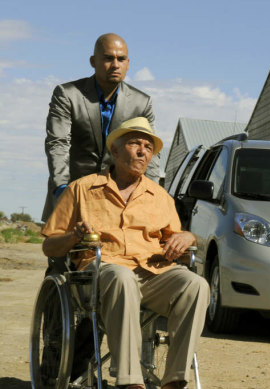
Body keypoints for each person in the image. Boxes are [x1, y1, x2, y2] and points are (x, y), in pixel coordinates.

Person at [42, 117, 209, 389]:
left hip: (152, 275)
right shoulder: (82, 189)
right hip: (99, 276)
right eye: (135, 144)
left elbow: (176, 244)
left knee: (196, 285)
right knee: (122, 277)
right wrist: (74, 236)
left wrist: (188, 237)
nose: (143, 151)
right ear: (116, 151)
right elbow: (49, 246)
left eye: (148, 146)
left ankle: (175, 380)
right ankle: (130, 381)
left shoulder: (160, 197)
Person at [43, 33, 159, 223]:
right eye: (108, 58)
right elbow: (58, 143)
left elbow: (150, 152)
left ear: (128, 63)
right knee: (62, 251)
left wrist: (154, 194)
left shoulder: (142, 103)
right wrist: (62, 188)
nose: (115, 65)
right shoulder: (67, 94)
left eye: (121, 59)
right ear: (93, 61)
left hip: (118, 201)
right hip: (71, 195)